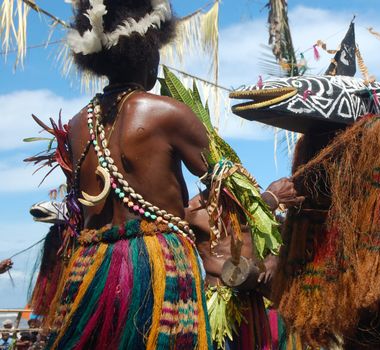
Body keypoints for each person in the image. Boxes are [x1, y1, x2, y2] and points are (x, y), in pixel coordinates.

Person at [33, 0, 213, 348]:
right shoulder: (166, 112)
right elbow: (223, 182)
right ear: (148, 53)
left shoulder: (76, 125)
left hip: (92, 265)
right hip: (158, 265)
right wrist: (266, 198)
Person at [186, 177, 303, 349]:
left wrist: (273, 259)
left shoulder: (253, 206)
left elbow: (280, 240)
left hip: (253, 302)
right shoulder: (193, 209)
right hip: (218, 302)